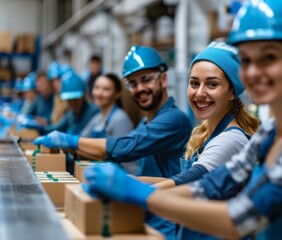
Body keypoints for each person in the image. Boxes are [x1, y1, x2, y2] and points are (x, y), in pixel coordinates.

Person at [81, 1, 282, 239]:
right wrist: (132, 185)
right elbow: (215, 183)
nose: (253, 72)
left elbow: (244, 217)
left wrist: (142, 196)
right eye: (247, 61)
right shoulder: (272, 132)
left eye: (269, 57)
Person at [34, 45, 193, 238]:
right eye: (133, 83)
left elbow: (126, 147)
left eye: (146, 79)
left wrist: (70, 140)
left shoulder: (174, 119)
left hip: (166, 220)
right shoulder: (145, 121)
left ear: (164, 79)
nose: (140, 88)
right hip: (142, 211)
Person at [138, 42, 259, 239]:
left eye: (212, 84)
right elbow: (179, 180)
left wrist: (135, 193)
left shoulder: (231, 139)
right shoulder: (205, 132)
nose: (200, 93)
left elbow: (192, 180)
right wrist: (137, 181)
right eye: (194, 83)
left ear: (231, 92)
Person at [81, 73, 136, 174]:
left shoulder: (119, 119)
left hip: (121, 178)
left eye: (106, 89)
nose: (99, 93)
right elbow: (81, 140)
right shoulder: (98, 118)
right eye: (96, 87)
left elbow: (126, 161)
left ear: (117, 94)